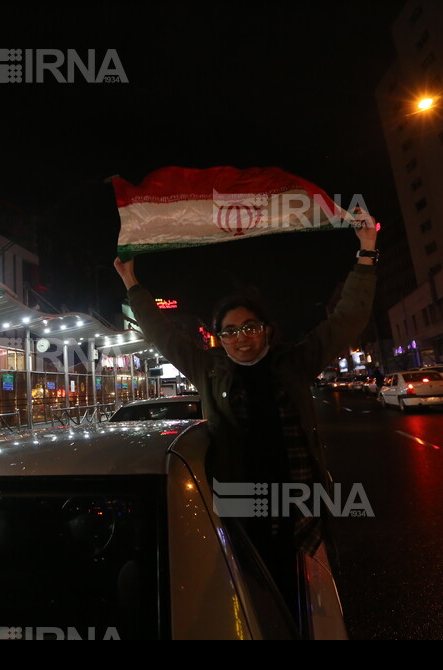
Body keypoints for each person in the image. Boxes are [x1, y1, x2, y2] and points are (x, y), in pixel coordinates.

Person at [113, 212, 378, 614]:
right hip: (241, 508)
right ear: (219, 339)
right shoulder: (207, 369)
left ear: (267, 329)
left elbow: (347, 319)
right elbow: (162, 334)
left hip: (300, 505)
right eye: (231, 331)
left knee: (308, 602)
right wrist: (132, 284)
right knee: (252, 600)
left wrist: (367, 252)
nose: (242, 338)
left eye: (250, 326)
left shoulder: (296, 363)